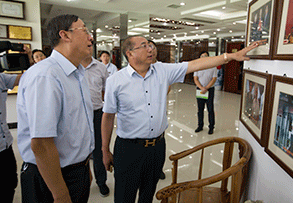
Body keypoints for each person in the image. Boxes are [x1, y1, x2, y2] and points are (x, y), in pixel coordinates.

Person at [101, 35, 259, 203]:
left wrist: (231, 56)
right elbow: (108, 116)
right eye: (144, 46)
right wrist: (104, 149)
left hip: (156, 148)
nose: (150, 49)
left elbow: (196, 64)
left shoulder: (162, 71)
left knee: (148, 194)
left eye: (149, 45)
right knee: (124, 196)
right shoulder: (115, 81)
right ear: (130, 53)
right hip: (128, 150)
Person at [17, 14, 95, 203]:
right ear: (65, 35)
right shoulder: (46, 76)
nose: (90, 37)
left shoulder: (77, 72)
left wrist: (84, 168)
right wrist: (60, 193)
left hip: (77, 170)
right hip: (51, 178)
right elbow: (42, 144)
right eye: (84, 30)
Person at [81, 55, 110, 197]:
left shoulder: (100, 67)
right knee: (79, 151)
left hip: (97, 114)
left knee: (99, 150)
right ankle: (82, 183)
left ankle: (101, 181)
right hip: (77, 116)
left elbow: (106, 90)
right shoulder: (71, 65)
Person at [0, 73, 21, 202]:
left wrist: (29, 58)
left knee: (10, 183)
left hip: (5, 143)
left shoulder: (1, 78)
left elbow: (26, 77)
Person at [148, 40, 166, 180]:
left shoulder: (162, 68)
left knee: (159, 139)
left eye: (153, 47)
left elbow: (168, 86)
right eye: (147, 47)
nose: (151, 50)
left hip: (158, 111)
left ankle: (158, 169)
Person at [194, 51, 217, 135]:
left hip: (209, 90)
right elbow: (195, 79)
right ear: (200, 58)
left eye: (205, 56)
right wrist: (201, 88)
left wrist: (206, 88)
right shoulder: (197, 67)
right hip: (200, 89)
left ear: (208, 57)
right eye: (202, 56)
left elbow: (214, 79)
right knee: (200, 109)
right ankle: (200, 126)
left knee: (210, 109)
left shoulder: (213, 67)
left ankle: (211, 127)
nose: (203, 57)